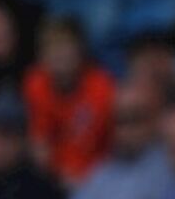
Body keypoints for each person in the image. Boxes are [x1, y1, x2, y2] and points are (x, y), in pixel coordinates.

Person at [67, 89, 173, 199]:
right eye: (120, 121)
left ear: (153, 120)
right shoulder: (101, 172)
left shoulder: (168, 165)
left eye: (135, 119)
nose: (127, 130)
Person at [21, 16, 116, 183]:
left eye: (66, 46)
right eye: (52, 48)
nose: (59, 54)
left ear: (81, 51)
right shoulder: (34, 83)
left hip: (96, 177)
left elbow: (102, 146)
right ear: (42, 56)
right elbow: (40, 142)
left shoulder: (102, 88)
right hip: (52, 177)